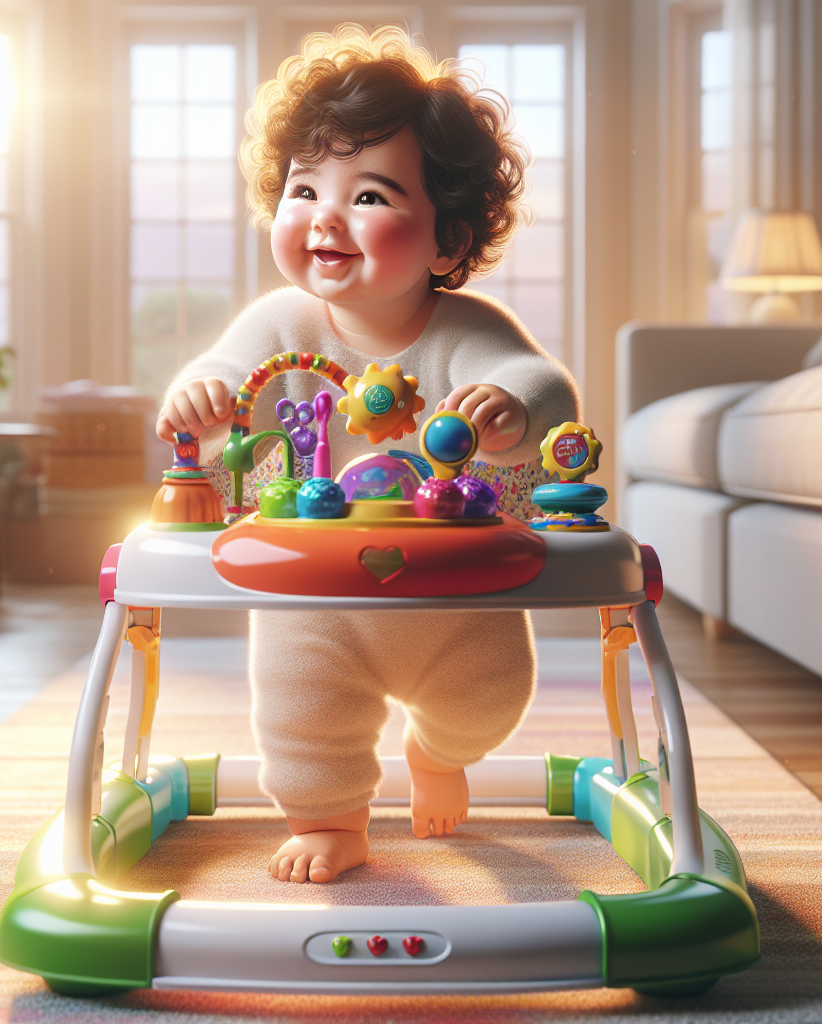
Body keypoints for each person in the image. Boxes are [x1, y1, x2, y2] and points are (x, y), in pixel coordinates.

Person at [157, 24, 580, 884]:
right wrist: (199, 396)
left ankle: (435, 753)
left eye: (371, 197)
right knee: (302, 710)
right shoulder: (280, 325)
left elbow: (540, 385)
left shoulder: (467, 332)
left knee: (487, 705)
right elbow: (225, 379)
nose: (324, 218)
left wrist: (510, 408)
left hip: (453, 594)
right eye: (304, 188)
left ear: (448, 242)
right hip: (316, 588)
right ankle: (330, 820)